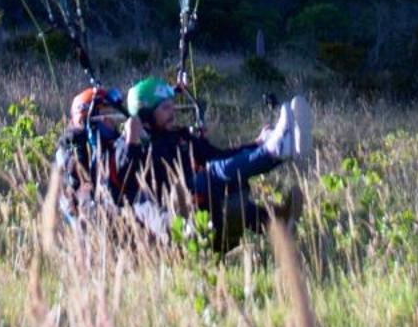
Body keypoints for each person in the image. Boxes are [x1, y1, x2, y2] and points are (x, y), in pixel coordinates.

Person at [119, 76, 311, 249]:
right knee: (213, 172)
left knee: (226, 176)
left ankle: (279, 215)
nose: (173, 112)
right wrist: (132, 142)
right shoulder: (133, 144)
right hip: (177, 212)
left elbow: (220, 156)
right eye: (165, 107)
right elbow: (126, 182)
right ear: (145, 114)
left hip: (206, 203)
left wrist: (256, 143)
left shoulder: (181, 137)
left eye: (172, 105)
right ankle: (275, 150)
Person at [52, 84, 130, 220]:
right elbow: (78, 175)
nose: (109, 121)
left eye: (109, 115)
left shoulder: (115, 142)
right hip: (84, 211)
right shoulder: (70, 143)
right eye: (102, 115)